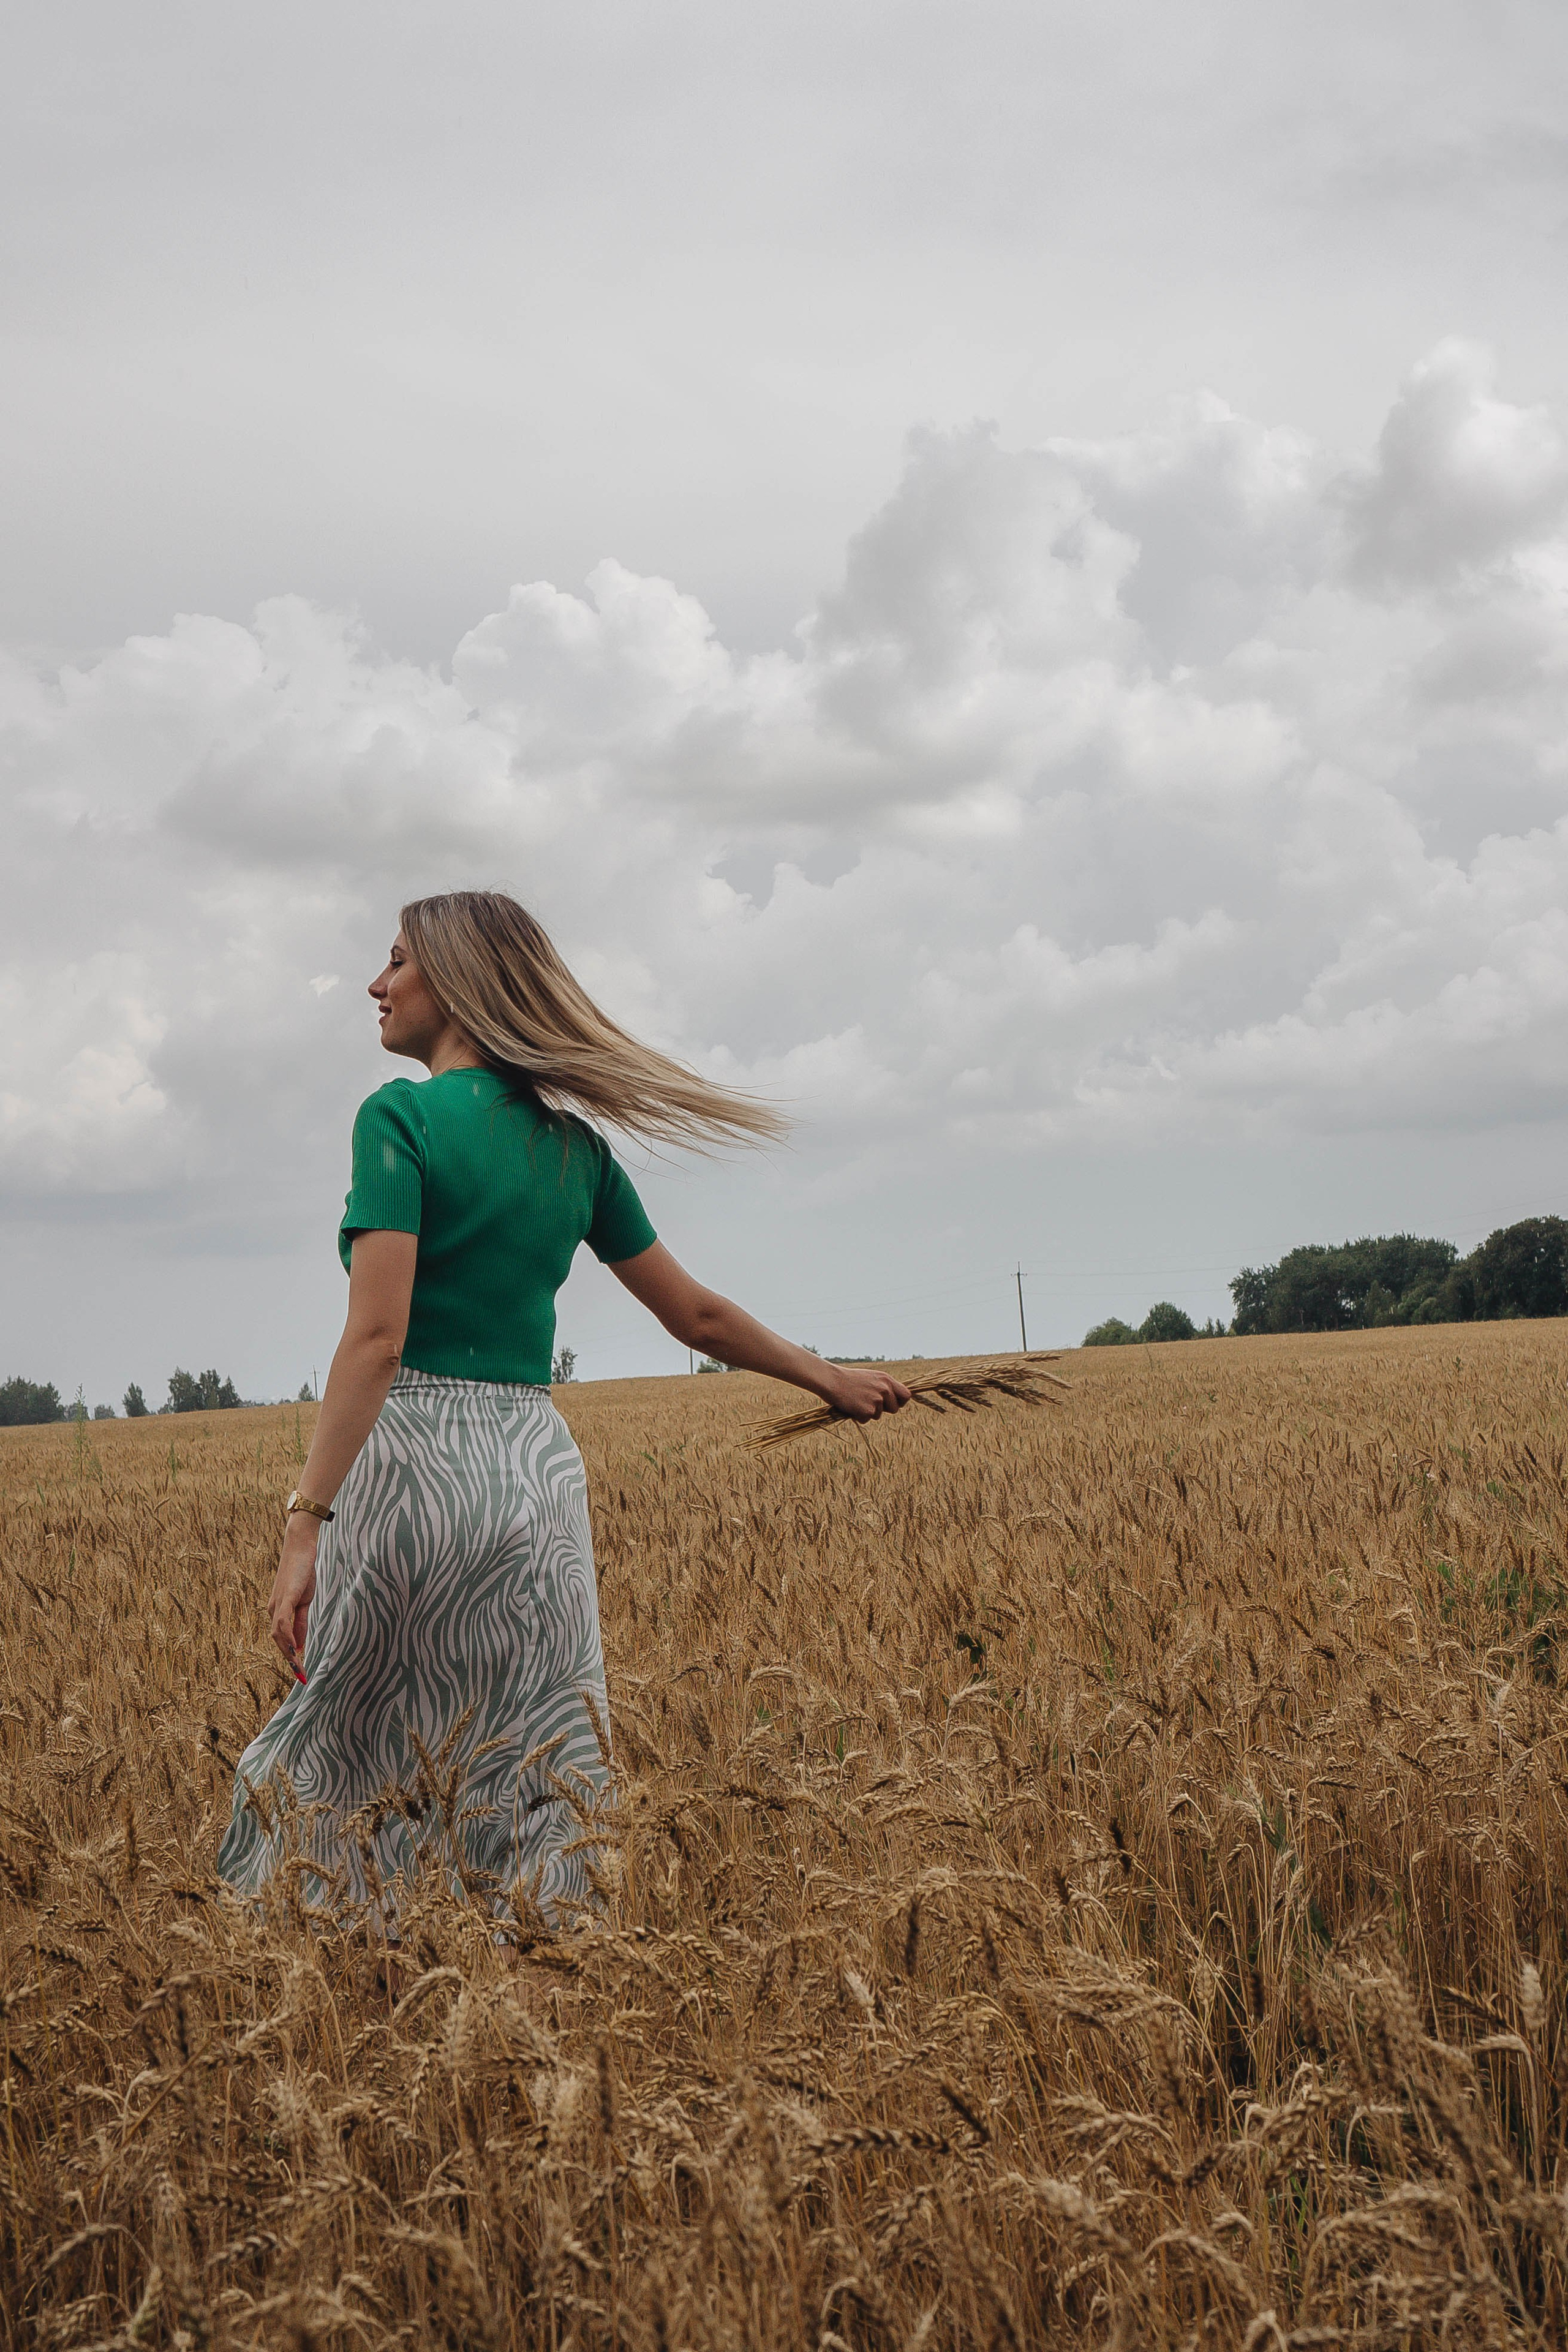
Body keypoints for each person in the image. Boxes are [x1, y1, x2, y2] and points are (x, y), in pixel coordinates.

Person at [218, 891, 910, 1929]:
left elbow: (376, 1340)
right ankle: (544, 1971)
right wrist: (832, 1380)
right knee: (537, 1756)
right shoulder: (575, 1152)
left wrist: (305, 1519)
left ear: (452, 981)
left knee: (343, 1753)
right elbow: (700, 1317)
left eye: (396, 960)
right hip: (538, 1480)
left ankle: (352, 1988)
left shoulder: (395, 1120)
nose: (376, 982)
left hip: (414, 1468)